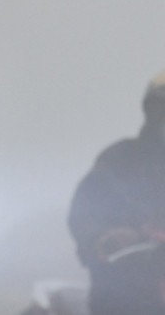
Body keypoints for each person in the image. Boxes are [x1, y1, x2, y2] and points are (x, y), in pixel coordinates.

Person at [68, 70, 165, 315]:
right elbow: (86, 211)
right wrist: (102, 237)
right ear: (153, 111)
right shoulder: (120, 160)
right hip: (127, 290)